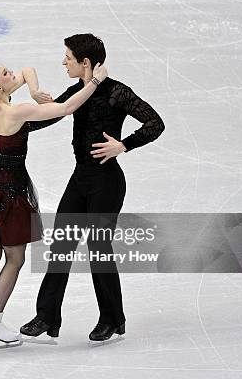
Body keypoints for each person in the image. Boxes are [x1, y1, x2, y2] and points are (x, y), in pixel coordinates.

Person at [0, 61, 109, 353]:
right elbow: (66, 108)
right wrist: (95, 82)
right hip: (9, 192)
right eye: (6, 75)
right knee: (14, 259)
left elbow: (27, 69)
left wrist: (34, 90)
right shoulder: (16, 111)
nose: (14, 76)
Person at [20, 33, 165, 342]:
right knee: (61, 246)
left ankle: (112, 319)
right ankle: (47, 316)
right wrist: (7, 118)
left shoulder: (117, 92)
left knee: (99, 249)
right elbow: (38, 122)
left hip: (107, 182)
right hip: (80, 179)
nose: (63, 62)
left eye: (68, 58)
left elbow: (155, 123)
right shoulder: (77, 91)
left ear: (85, 62)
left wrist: (124, 145)